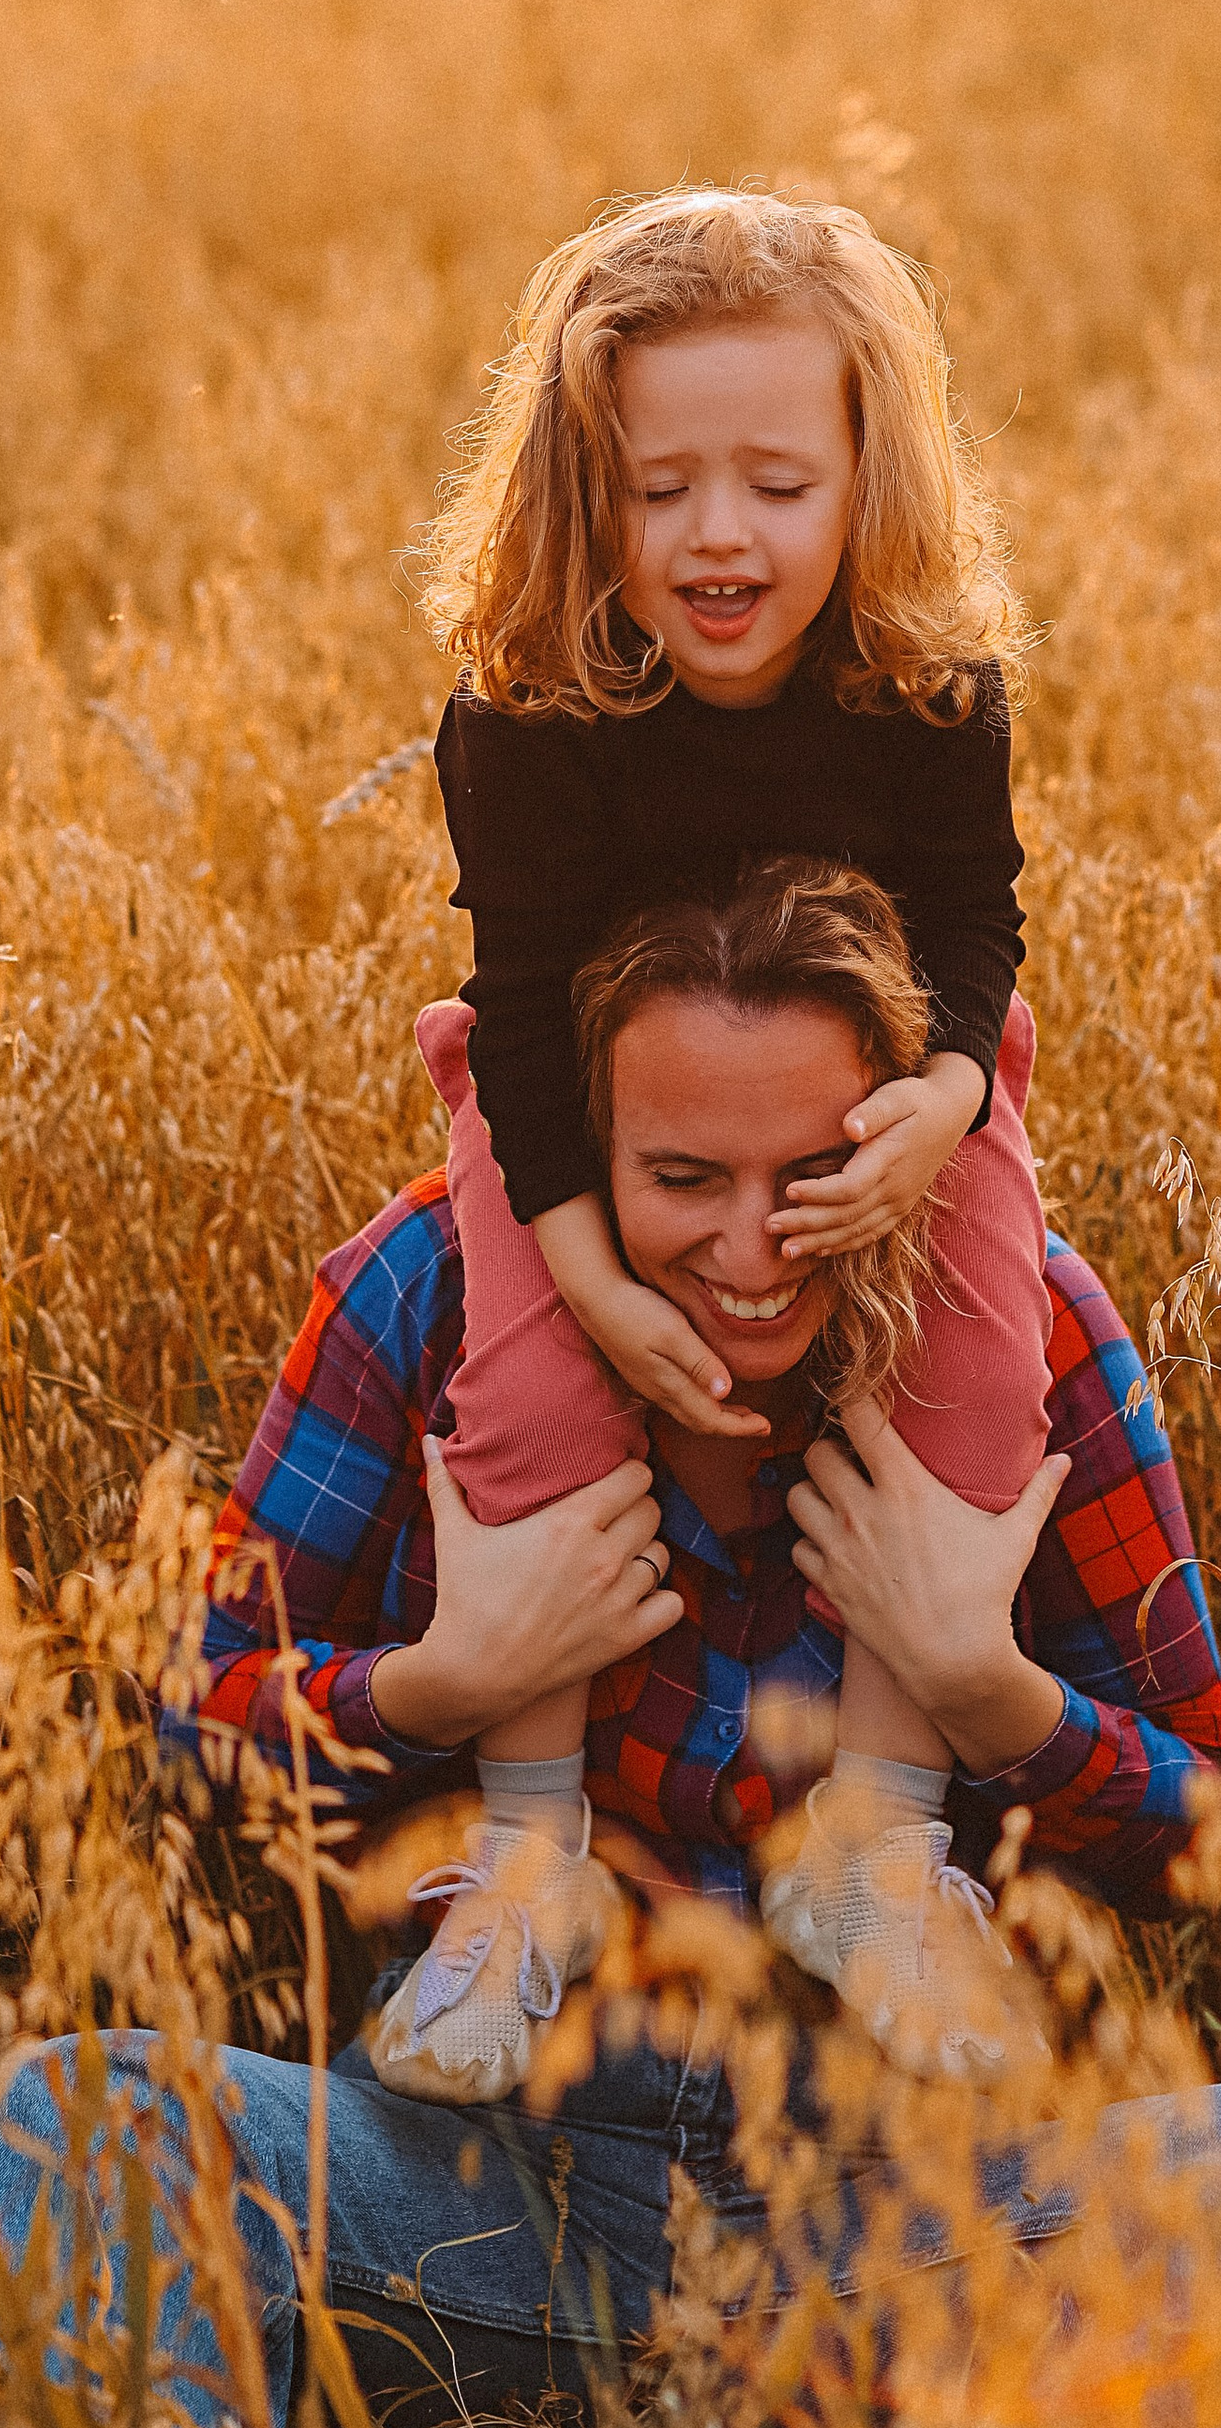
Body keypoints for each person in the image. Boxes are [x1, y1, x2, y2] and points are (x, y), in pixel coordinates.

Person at [0, 859, 1221, 2428]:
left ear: (905, 1138)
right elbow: (185, 1737)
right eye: (684, 1178)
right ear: (576, 1152)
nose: (755, 1247)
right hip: (477, 2200)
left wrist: (992, 1693)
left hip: (902, 2229)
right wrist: (445, 1685)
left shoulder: (1021, 1329)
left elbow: (1208, 1841)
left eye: (816, 1174)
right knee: (77, 2122)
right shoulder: (424, 1293)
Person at [386, 185, 1058, 2098]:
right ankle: (527, 1852)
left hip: (906, 1082)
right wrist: (589, 1268)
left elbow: (976, 920)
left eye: (776, 479)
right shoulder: (528, 707)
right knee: (521, 1392)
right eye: (661, 484)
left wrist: (942, 1105)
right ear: (585, 493)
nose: (719, 535)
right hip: (586, 1116)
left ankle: (881, 1841)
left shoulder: (927, 680)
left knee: (987, 1377)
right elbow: (518, 1004)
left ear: (868, 473)